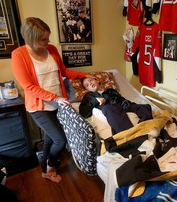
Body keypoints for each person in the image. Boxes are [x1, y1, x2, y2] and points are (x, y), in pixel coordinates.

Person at [11, 17, 94, 183]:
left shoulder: (52, 49)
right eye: (43, 39)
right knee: (60, 140)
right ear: (31, 38)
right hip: (39, 106)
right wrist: (55, 97)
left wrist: (83, 75)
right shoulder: (19, 55)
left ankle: (45, 170)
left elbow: (63, 71)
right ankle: (50, 165)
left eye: (47, 37)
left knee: (50, 139)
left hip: (58, 103)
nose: (48, 41)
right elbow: (29, 87)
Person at [79, 77, 153, 134]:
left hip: (123, 104)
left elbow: (121, 98)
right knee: (108, 109)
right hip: (112, 108)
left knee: (145, 107)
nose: (90, 84)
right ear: (87, 90)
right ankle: (129, 134)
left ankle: (142, 128)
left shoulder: (110, 90)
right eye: (87, 85)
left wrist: (127, 103)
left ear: (97, 80)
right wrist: (96, 100)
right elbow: (84, 112)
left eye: (91, 80)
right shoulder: (89, 96)